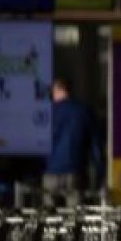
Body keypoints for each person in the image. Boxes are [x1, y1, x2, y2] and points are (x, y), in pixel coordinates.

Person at [44, 78, 102, 206]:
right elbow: (95, 147)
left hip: (51, 172)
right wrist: (98, 173)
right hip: (75, 171)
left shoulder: (47, 112)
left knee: (50, 219)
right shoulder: (84, 111)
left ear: (57, 90)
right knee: (74, 217)